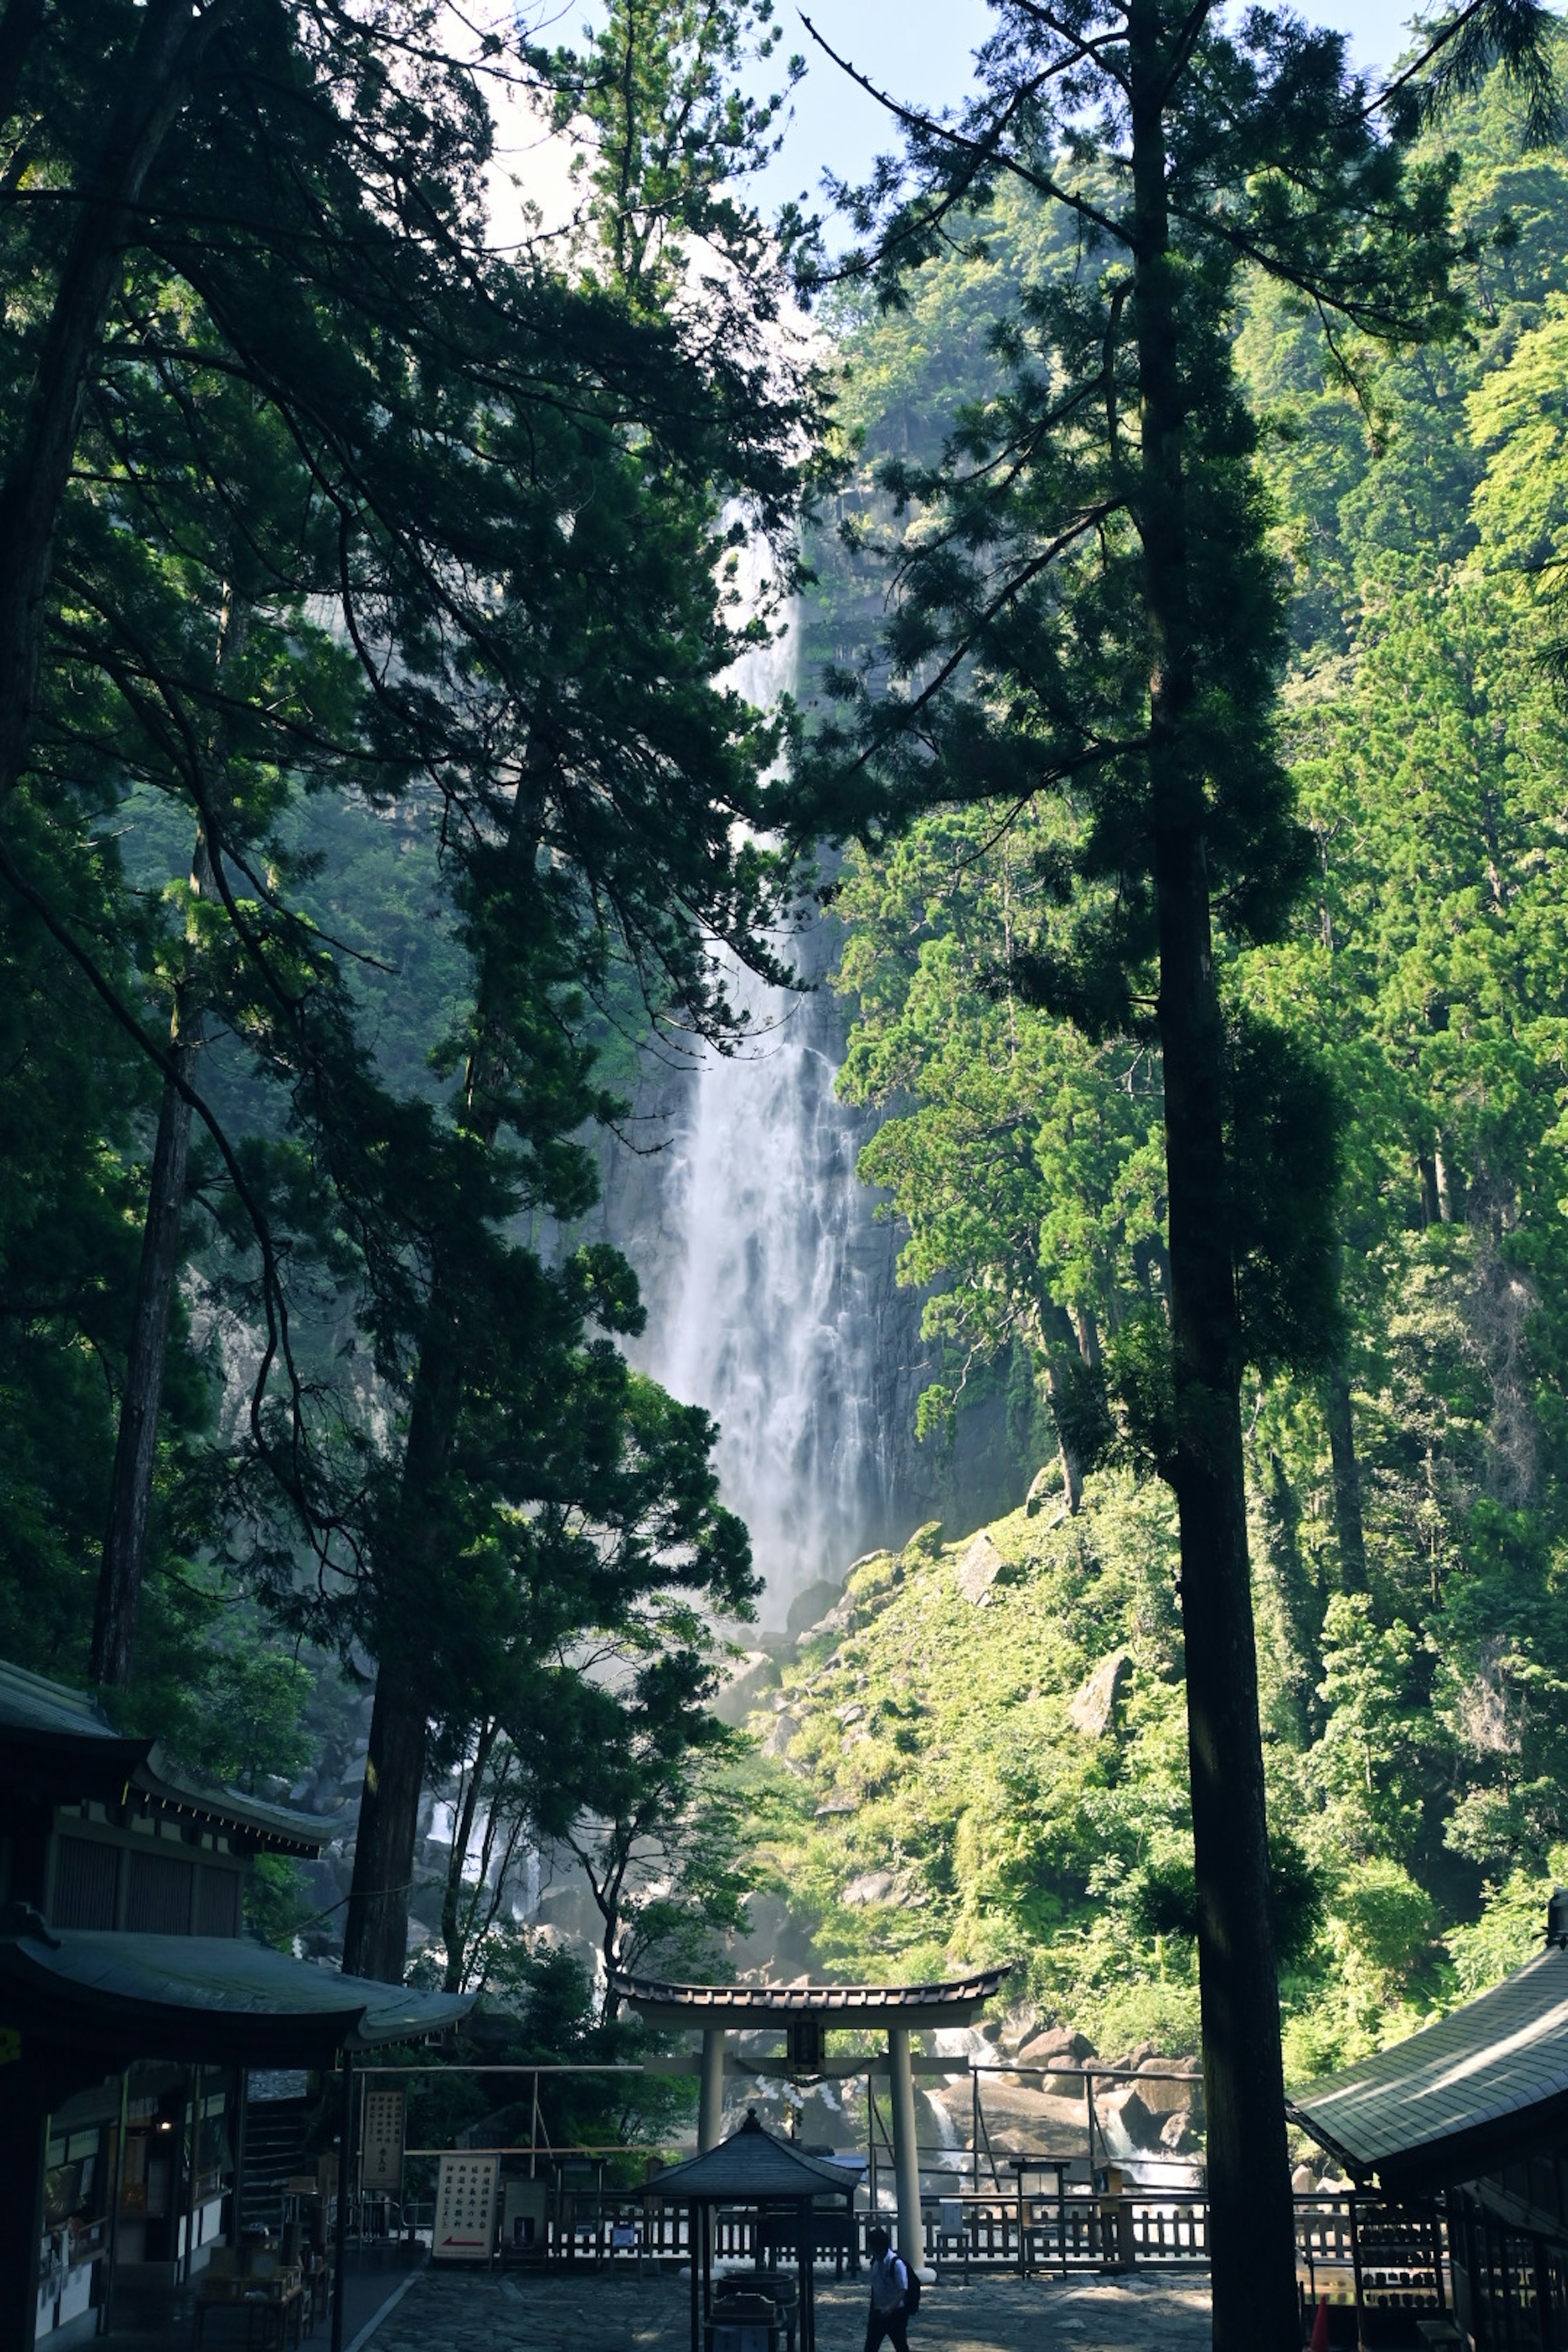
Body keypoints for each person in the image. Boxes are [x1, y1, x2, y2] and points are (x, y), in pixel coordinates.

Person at [864, 2224, 911, 2352]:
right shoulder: (875, 2263)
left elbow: (903, 2289)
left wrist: (890, 2307)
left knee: (901, 2346)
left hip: (896, 2313)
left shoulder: (896, 2264)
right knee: (871, 2348)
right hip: (878, 2312)